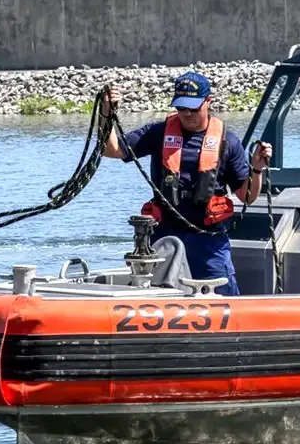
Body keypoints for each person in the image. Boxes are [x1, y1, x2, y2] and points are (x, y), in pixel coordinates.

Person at [100, 71, 272, 295]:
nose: (187, 114)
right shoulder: (158, 133)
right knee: (157, 295)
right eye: (181, 108)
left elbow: (247, 196)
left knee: (224, 296)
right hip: (165, 236)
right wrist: (106, 112)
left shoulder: (227, 141)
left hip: (209, 241)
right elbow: (111, 149)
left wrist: (256, 169)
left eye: (193, 108)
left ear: (207, 102)